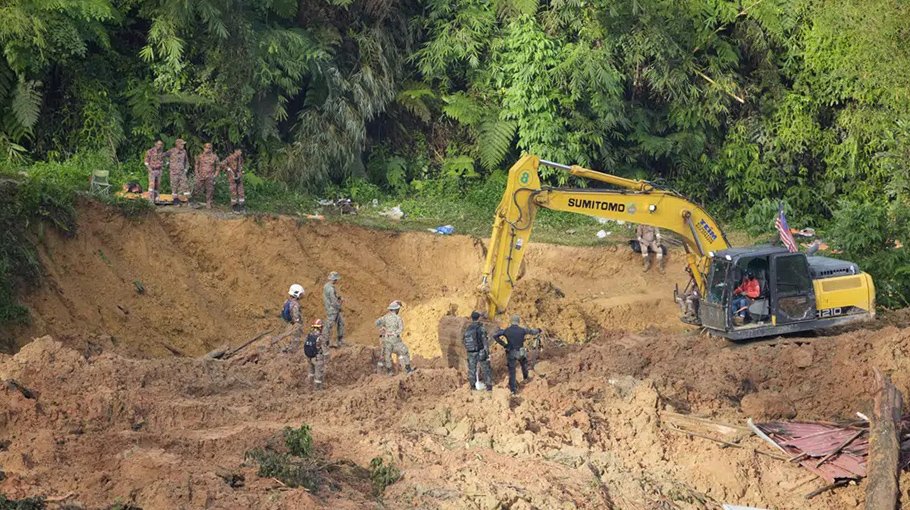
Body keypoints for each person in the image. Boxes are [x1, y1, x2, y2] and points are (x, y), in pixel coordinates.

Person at [491, 315, 540, 394]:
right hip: (520, 352)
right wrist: (539, 330)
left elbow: (495, 335)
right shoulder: (522, 330)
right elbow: (533, 332)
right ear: (518, 322)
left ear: (511, 321)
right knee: (524, 364)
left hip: (511, 352)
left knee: (512, 371)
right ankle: (526, 378)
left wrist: (504, 345)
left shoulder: (506, 330)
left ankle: (513, 389)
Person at [375, 300, 413, 374]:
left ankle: (389, 371)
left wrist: (382, 328)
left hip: (386, 340)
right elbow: (401, 328)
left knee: (387, 355)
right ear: (396, 309)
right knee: (404, 351)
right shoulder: (398, 318)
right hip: (396, 340)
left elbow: (376, 323)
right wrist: (394, 333)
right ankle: (408, 369)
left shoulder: (385, 317)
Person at [464, 311, 492, 391]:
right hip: (480, 351)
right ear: (478, 318)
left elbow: (464, 341)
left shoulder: (468, 329)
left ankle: (472, 386)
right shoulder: (481, 328)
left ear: (472, 318)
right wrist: (487, 353)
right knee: (485, 368)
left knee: (472, 369)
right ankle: (488, 386)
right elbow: (485, 341)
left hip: (470, 352)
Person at [276, 283, 305, 351]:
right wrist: (298, 323)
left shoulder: (286, 301)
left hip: (288, 323)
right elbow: (296, 317)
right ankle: (292, 351)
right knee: (295, 340)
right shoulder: (295, 305)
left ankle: (287, 348)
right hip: (294, 325)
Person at [193, 143, 220, 209]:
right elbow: (196, 165)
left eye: (210, 148)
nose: (208, 149)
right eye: (207, 148)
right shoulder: (200, 156)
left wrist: (215, 175)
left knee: (210, 190)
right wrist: (197, 173)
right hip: (201, 176)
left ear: (211, 149)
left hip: (210, 176)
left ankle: (208, 203)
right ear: (204, 148)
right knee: (196, 188)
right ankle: (194, 201)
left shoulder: (214, 157)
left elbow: (218, 166)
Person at [164, 139, 190, 205]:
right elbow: (163, 155)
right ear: (177, 144)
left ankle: (189, 200)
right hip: (174, 173)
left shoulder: (184, 152)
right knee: (174, 187)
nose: (183, 145)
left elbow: (186, 161)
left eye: (183, 144)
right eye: (181, 144)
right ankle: (175, 201)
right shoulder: (171, 151)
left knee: (185, 186)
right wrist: (166, 163)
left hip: (182, 172)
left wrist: (186, 169)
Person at [322, 271, 345, 348]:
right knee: (329, 325)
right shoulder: (331, 289)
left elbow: (332, 296)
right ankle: (325, 341)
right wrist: (339, 306)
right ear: (334, 279)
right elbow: (334, 301)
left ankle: (339, 340)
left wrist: (338, 297)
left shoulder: (326, 286)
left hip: (330, 308)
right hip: (333, 310)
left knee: (340, 323)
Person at [304, 319, 326, 390]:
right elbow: (324, 349)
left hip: (309, 357)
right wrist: (326, 358)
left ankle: (309, 386)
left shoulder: (309, 335)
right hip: (317, 358)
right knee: (318, 374)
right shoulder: (320, 337)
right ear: (320, 327)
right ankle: (317, 389)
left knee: (311, 372)